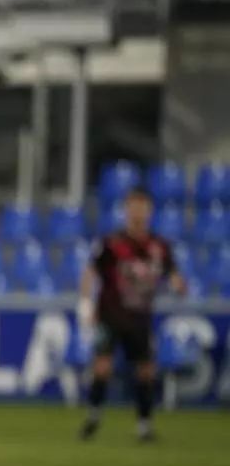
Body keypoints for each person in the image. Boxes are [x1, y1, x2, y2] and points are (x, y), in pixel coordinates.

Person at [78, 186, 186, 443]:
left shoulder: (159, 246)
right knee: (102, 366)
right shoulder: (112, 243)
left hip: (140, 317)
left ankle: (144, 425)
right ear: (126, 209)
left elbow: (173, 275)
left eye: (142, 206)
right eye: (133, 206)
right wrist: (85, 303)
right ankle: (94, 416)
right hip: (110, 315)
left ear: (149, 211)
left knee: (146, 370)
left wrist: (178, 284)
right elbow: (90, 272)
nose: (138, 212)